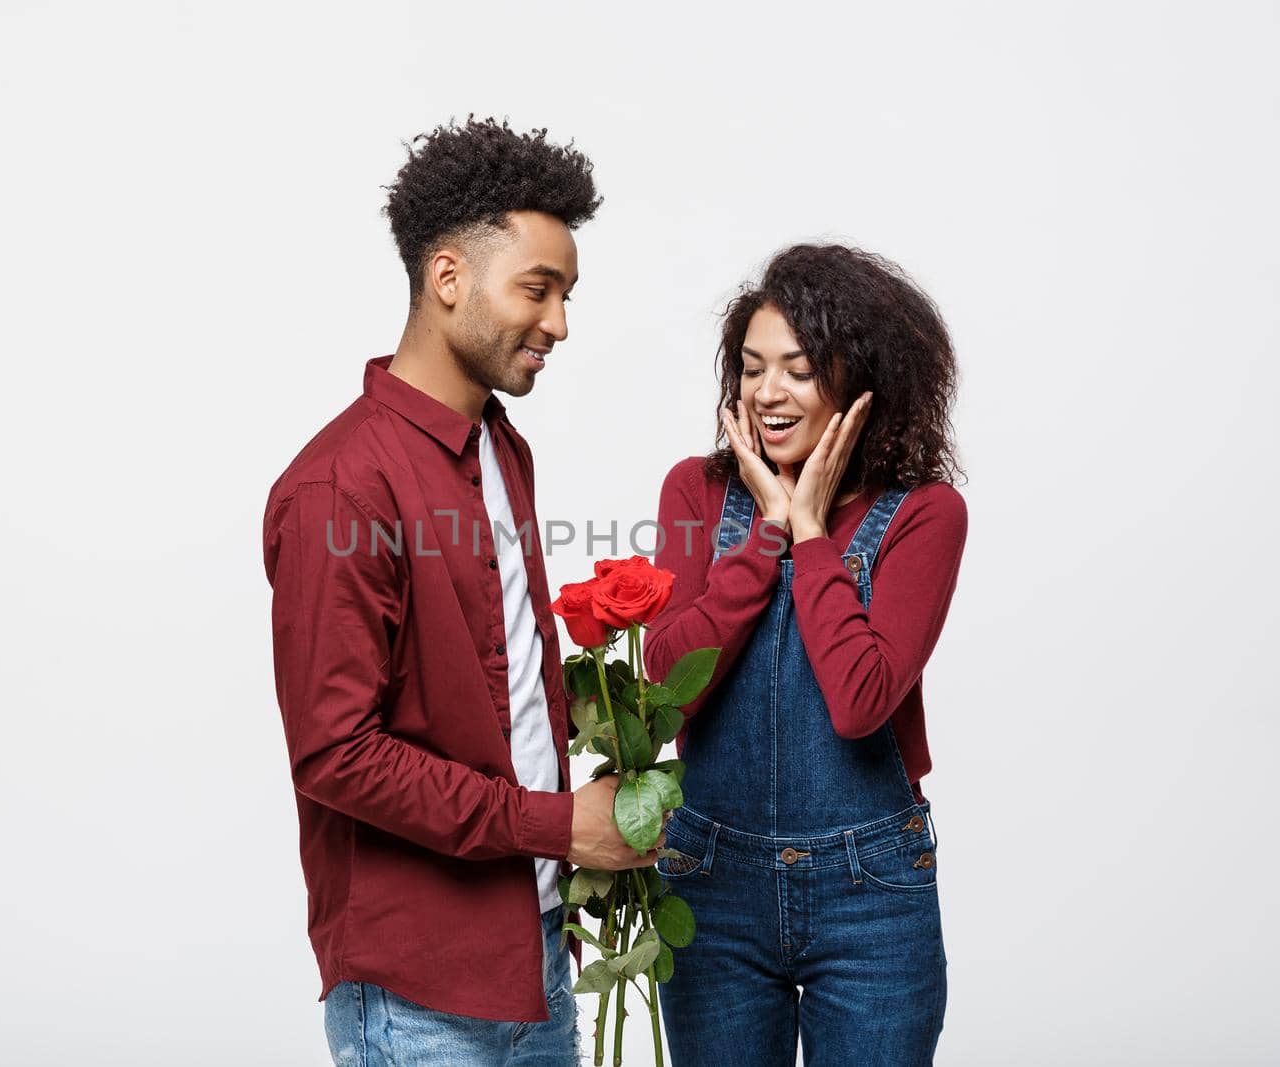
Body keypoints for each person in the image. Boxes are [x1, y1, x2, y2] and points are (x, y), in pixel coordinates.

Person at [262, 117, 661, 1067]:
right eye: (538, 288)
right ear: (449, 279)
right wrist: (559, 824)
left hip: (532, 958)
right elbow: (336, 753)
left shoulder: (500, 448)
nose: (559, 322)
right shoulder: (339, 486)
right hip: (418, 996)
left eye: (565, 293)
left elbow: (503, 690)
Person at [643, 244, 968, 1066]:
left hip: (872, 895)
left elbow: (862, 699)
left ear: (861, 380)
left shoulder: (925, 515)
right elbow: (668, 684)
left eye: (797, 368)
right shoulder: (695, 491)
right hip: (709, 881)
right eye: (752, 369)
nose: (767, 392)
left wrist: (815, 532)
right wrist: (766, 534)